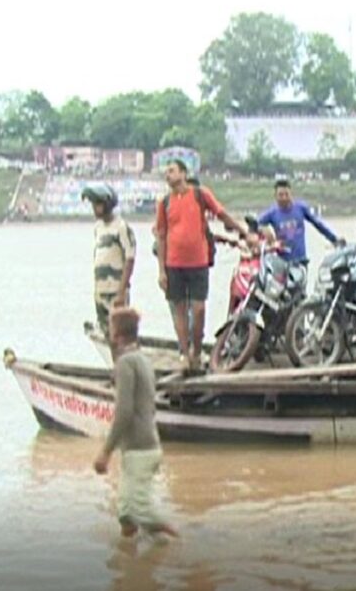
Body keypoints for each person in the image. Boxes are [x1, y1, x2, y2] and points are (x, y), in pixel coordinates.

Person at [93, 308, 178, 540]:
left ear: (116, 333)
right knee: (126, 513)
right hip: (145, 446)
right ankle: (131, 561)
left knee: (141, 510)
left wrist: (106, 451)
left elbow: (124, 411)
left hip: (140, 449)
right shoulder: (143, 360)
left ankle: (180, 540)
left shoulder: (125, 364)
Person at [155, 159, 247, 372]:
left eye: (172, 171)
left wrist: (242, 232)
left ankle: (197, 350)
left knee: (198, 310)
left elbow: (221, 214)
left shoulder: (200, 194)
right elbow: (161, 236)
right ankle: (185, 354)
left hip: (198, 263)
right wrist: (161, 271)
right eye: (166, 172)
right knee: (179, 310)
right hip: (173, 264)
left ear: (184, 174)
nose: (167, 175)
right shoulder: (164, 202)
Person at [82, 183, 136, 337]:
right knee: (106, 332)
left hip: (116, 289)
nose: (94, 208)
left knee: (120, 332)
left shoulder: (121, 227)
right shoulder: (98, 227)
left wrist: (121, 291)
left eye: (97, 204)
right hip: (101, 289)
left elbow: (130, 259)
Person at [258, 179, 342, 265]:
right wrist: (266, 233)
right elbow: (255, 225)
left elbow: (318, 223)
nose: (284, 198)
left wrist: (334, 239)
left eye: (287, 194)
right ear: (275, 196)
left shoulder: (301, 208)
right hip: (282, 261)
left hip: (301, 260)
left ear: (291, 194)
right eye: (281, 195)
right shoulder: (272, 213)